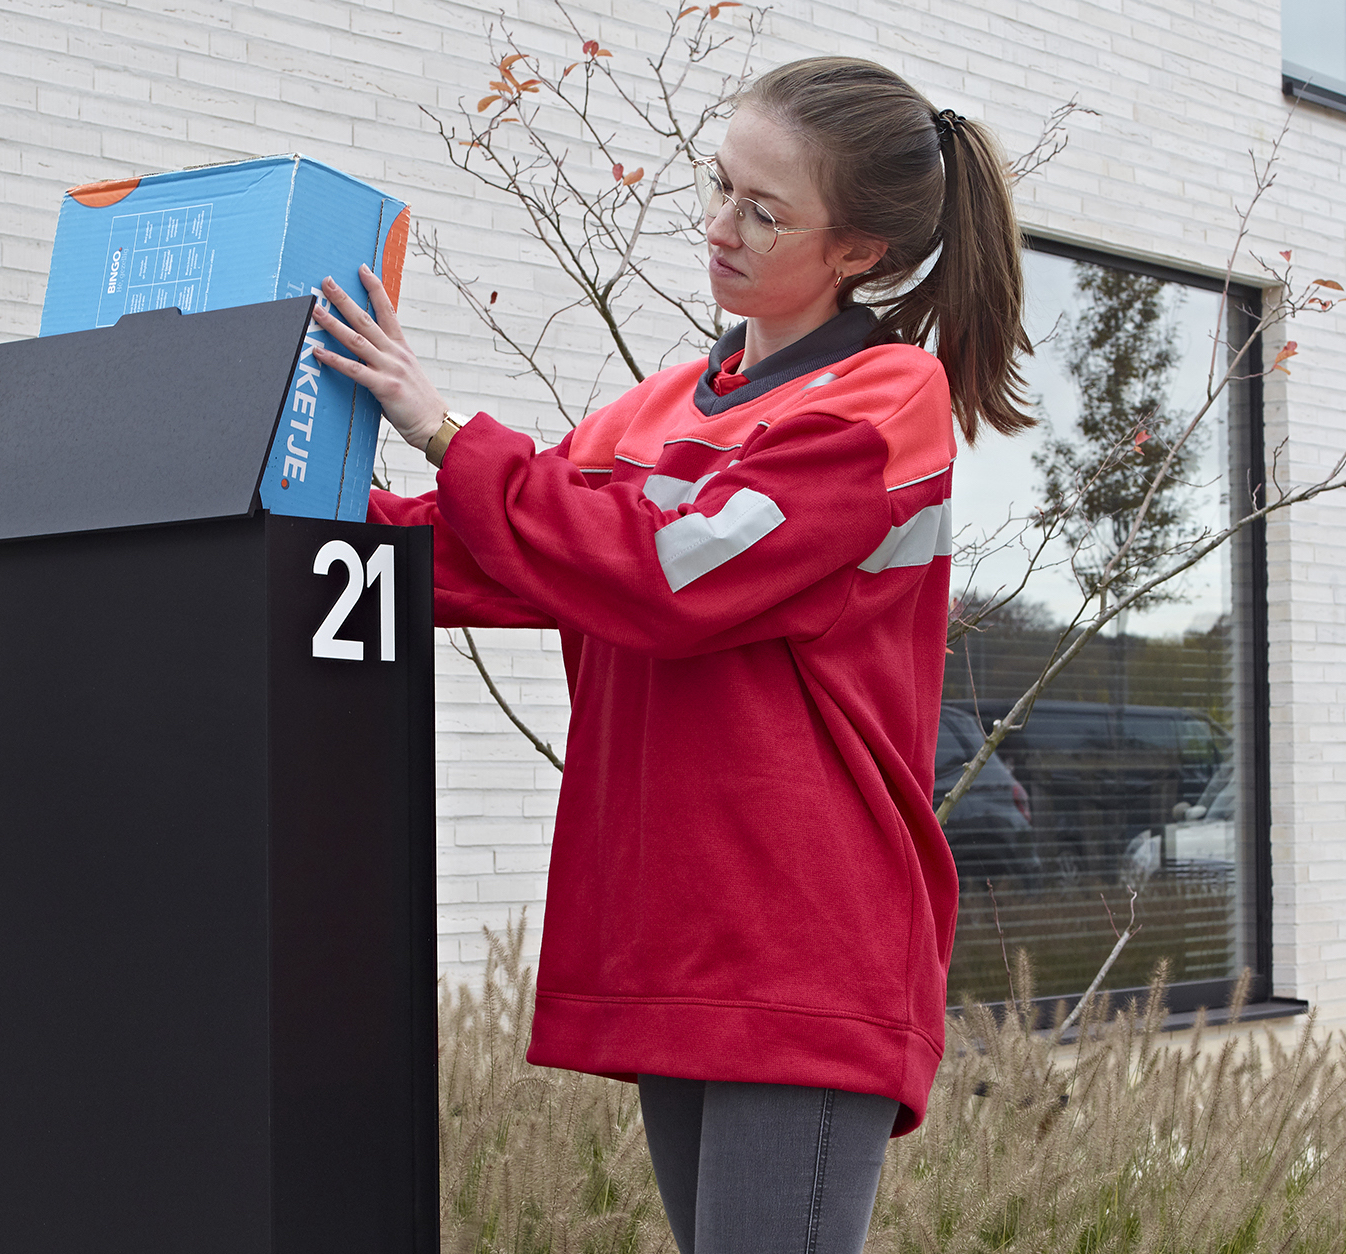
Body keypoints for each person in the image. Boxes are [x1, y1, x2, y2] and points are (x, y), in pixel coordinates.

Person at [306, 55, 1029, 1254]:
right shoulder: (657, 413)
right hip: (679, 928)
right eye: (719, 186)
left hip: (799, 943)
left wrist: (441, 428)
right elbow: (515, 547)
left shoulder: (881, 402)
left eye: (765, 209)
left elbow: (666, 568)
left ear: (857, 251)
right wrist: (287, 527)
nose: (719, 227)